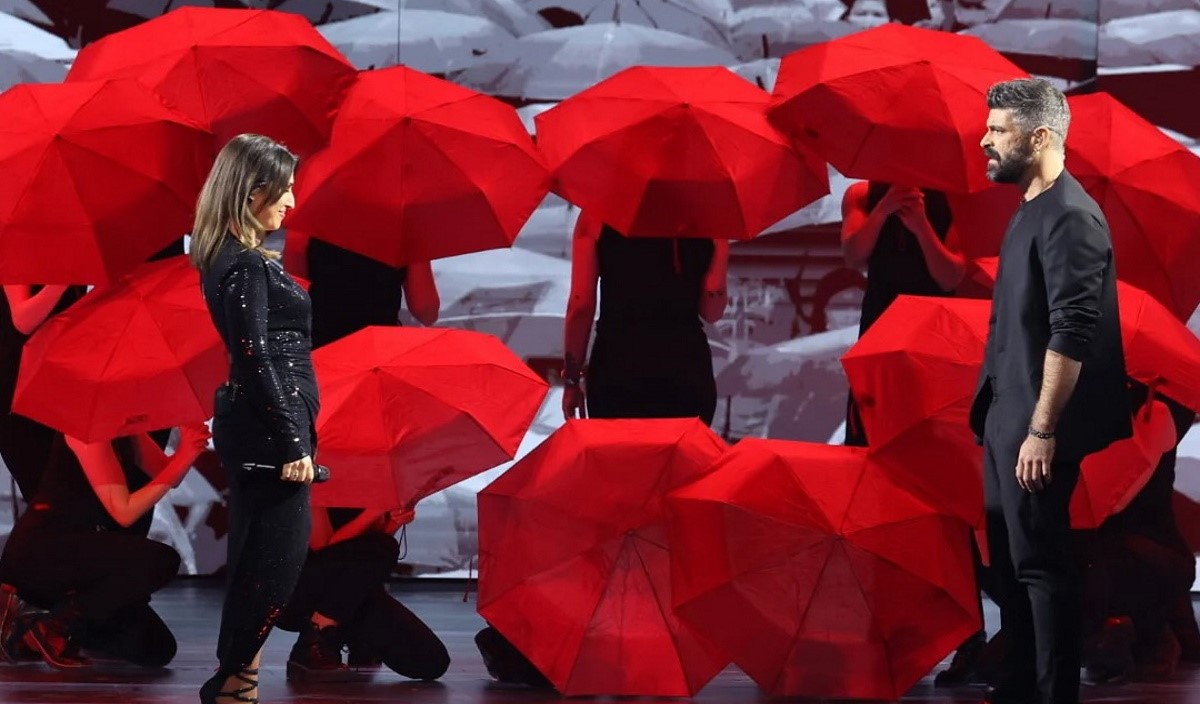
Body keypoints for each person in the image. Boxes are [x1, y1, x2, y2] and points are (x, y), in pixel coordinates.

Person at [969, 78, 1132, 704]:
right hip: (1004, 411)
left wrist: (1042, 429)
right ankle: (1017, 688)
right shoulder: (1030, 209)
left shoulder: (1069, 215)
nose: (984, 140)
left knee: (1040, 566)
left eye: (997, 129)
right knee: (1011, 567)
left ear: (1039, 137)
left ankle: (1051, 693)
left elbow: (1073, 330)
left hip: (1034, 419)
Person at [192, 134, 317, 704]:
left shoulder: (233, 258)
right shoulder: (243, 264)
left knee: (260, 562)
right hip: (270, 426)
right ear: (252, 191)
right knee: (273, 566)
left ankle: (239, 687)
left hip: (266, 420)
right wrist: (292, 440)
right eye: (284, 189)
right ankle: (231, 684)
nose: (291, 201)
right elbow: (254, 355)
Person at [0, 424, 209, 669]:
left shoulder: (126, 426)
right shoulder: (84, 430)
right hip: (44, 552)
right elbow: (124, 512)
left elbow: (165, 474)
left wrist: (189, 449)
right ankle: (54, 625)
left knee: (157, 648)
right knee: (160, 560)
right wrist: (184, 455)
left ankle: (43, 626)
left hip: (80, 552)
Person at [560, 211, 730, 424]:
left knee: (618, 446)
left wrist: (572, 379)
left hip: (616, 369)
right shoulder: (708, 219)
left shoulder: (596, 215)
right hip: (686, 371)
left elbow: (581, 306)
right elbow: (712, 312)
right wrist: (721, 248)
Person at [840, 181, 963, 446]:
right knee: (867, 432)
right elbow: (853, 256)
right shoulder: (862, 194)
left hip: (931, 330)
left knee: (925, 436)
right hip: (879, 323)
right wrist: (883, 210)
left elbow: (951, 277)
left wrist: (921, 226)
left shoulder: (955, 198)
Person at [278, 507, 449, 682]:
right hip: (296, 590)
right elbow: (324, 546)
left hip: (349, 593)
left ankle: (348, 635)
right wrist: (372, 514)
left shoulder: (381, 492)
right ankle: (315, 638)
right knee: (382, 546)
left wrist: (393, 521)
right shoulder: (315, 490)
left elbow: (367, 562)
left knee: (431, 661)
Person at [0, 285, 86, 501]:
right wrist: (61, 282)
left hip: (62, 378)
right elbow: (22, 320)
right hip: (19, 388)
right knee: (45, 490)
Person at [282, 231, 440, 348]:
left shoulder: (304, 229)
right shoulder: (406, 233)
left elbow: (292, 306)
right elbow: (427, 312)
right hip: (377, 351)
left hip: (322, 352)